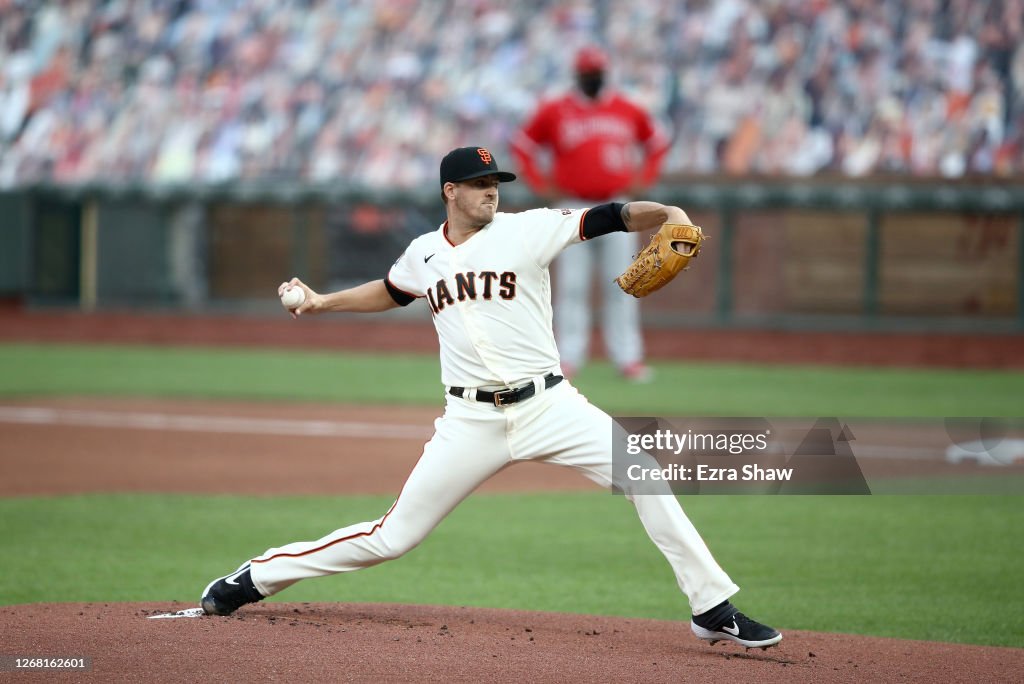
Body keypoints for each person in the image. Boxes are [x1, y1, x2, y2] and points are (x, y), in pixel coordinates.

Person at [199, 146, 782, 650]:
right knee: (391, 538)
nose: (490, 194)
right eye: (479, 186)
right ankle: (258, 575)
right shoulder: (423, 252)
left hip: (551, 407)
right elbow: (392, 290)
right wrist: (321, 301)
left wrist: (671, 213)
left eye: (495, 184)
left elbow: (611, 216)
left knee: (643, 472)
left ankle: (711, 608)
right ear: (450, 192)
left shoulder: (528, 228)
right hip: (469, 420)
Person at [510, 45, 670, 382]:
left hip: (618, 205)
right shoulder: (556, 110)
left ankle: (628, 359)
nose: (592, 79)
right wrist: (539, 183)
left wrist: (645, 179)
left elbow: (657, 143)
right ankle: (568, 358)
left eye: (596, 73)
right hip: (572, 205)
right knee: (572, 286)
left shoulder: (626, 108)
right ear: (578, 75)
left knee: (626, 282)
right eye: (587, 73)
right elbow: (522, 145)